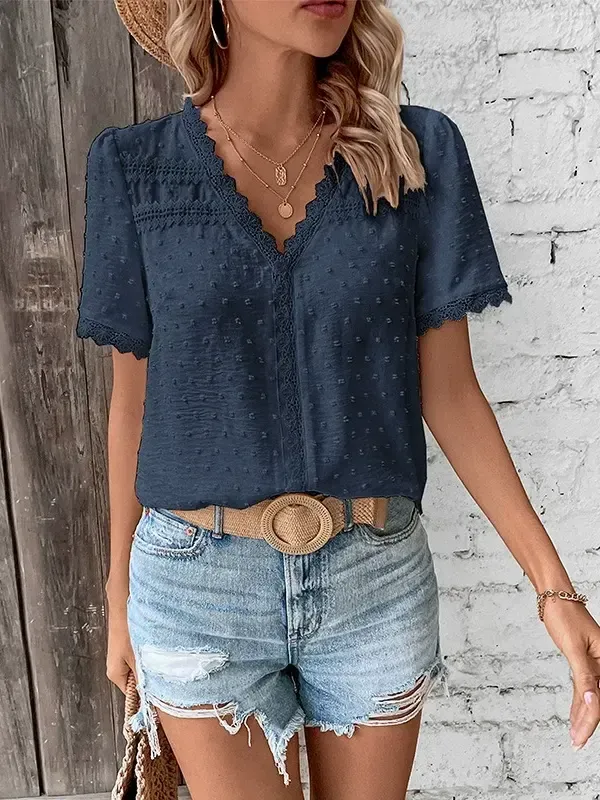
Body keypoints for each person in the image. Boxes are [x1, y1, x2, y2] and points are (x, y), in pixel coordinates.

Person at [75, 0, 600, 797]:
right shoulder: (134, 168)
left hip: (374, 584)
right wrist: (117, 594)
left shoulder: (415, 154)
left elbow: (452, 393)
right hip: (196, 591)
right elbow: (132, 407)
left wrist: (553, 590)